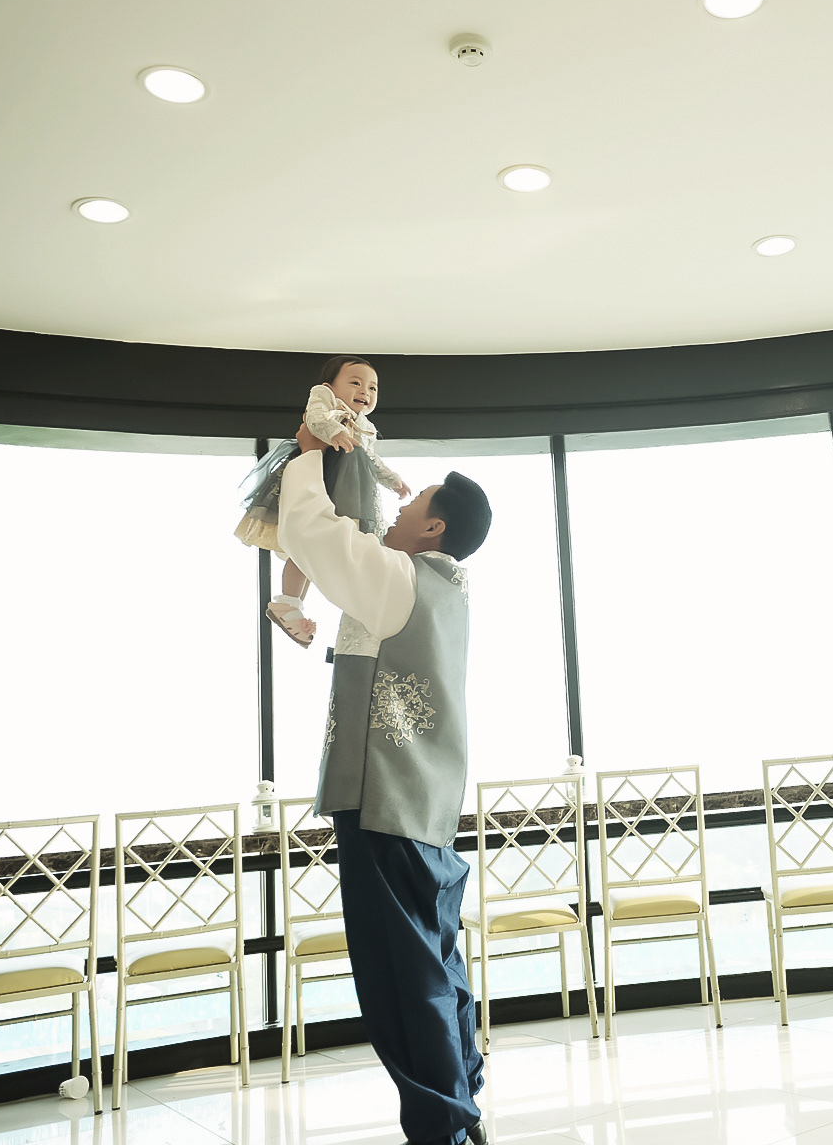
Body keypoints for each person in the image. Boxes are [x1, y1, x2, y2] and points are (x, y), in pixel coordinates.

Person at [276, 420, 493, 1145]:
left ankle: (441, 1130)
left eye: (414, 502)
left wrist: (310, 458)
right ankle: (462, 1105)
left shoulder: (398, 578)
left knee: (402, 979)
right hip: (425, 806)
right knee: (435, 963)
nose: (399, 507)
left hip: (383, 801)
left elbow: (314, 532)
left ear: (434, 527)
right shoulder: (447, 588)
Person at [235, 355, 410, 647]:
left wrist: (393, 480)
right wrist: (336, 431)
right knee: (304, 543)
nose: (364, 392)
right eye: (355, 383)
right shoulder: (324, 397)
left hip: (347, 484)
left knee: (316, 547)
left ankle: (292, 604)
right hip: (324, 473)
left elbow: (371, 459)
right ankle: (287, 602)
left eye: (372, 388)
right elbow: (314, 419)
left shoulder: (365, 425)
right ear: (330, 386)